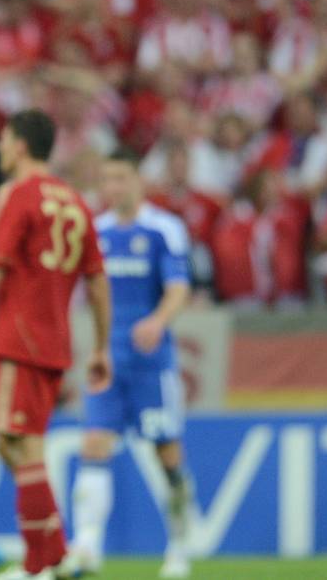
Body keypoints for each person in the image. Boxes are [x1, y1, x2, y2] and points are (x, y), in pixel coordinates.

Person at [0, 109, 112, 580]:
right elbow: (97, 279)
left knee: (17, 445)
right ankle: (55, 557)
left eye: (5, 140)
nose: (1, 148)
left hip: (18, 339)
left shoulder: (16, 195)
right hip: (55, 343)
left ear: (21, 145)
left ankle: (40, 564)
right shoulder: (75, 201)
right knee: (18, 445)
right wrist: (101, 346)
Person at [62, 148, 193, 579]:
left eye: (119, 178)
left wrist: (157, 321)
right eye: (106, 179)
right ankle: (86, 549)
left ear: (138, 180)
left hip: (153, 364)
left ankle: (178, 546)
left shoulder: (164, 229)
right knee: (93, 446)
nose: (111, 187)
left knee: (167, 455)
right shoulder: (95, 231)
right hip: (107, 362)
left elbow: (178, 287)